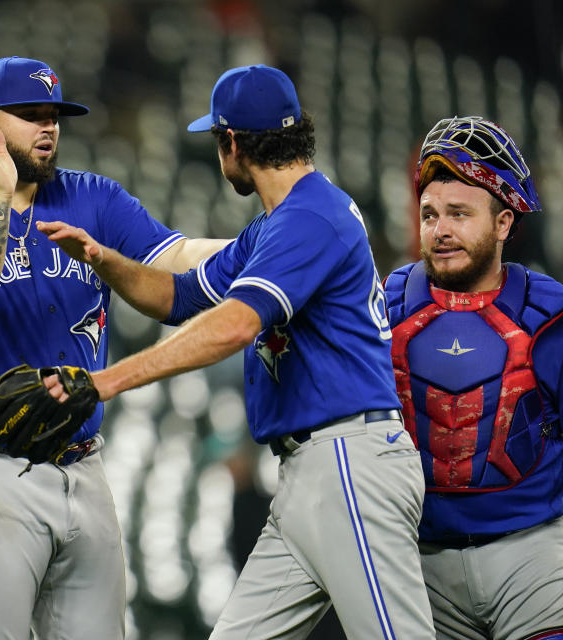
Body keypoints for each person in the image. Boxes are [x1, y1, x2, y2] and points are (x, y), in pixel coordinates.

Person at [40, 64, 435, 639]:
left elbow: (233, 327)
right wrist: (103, 258)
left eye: (216, 140)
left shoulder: (311, 217)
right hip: (307, 473)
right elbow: (177, 296)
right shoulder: (275, 225)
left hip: (350, 461)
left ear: (232, 142)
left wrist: (106, 381)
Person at [0, 55, 228, 639]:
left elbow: (174, 260)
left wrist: (268, 249)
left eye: (55, 115)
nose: (48, 127)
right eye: (30, 115)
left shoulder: (93, 198)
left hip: (83, 464)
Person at [382, 116, 563, 640]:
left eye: (459, 214)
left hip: (534, 554)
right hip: (419, 563)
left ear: (504, 223)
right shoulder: (382, 309)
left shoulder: (550, 316)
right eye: (430, 214)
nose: (440, 230)